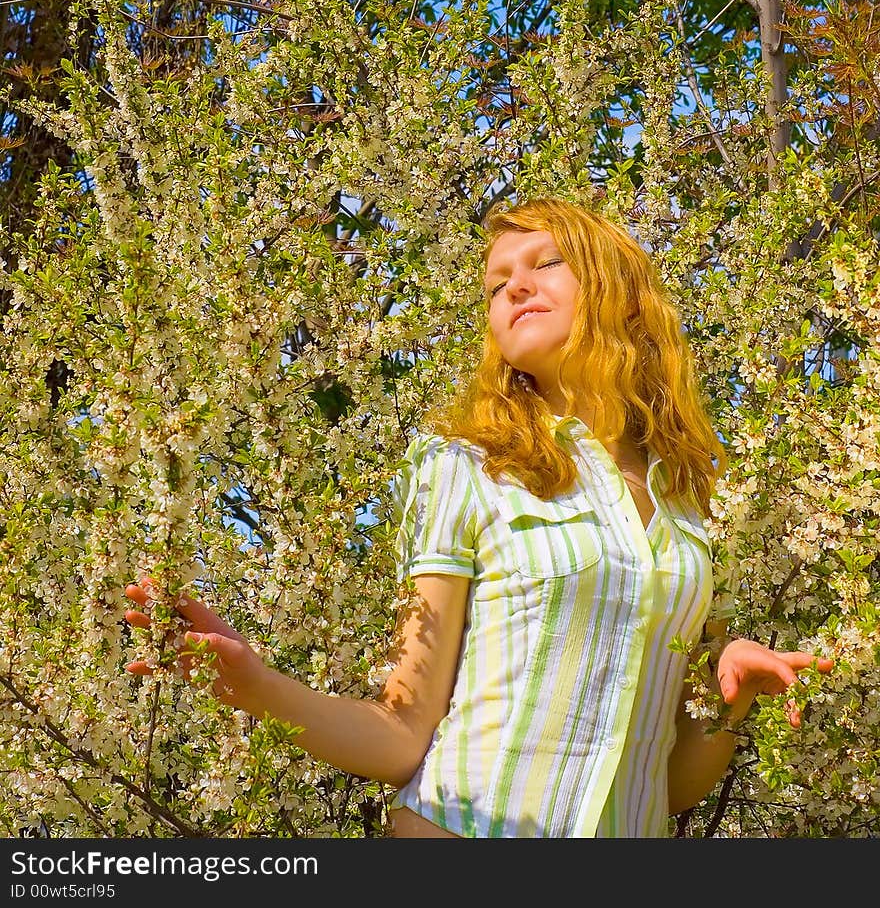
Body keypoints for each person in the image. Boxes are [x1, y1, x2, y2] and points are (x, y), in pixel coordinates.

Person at [124, 196, 834, 838]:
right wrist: (257, 686)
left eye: (545, 262)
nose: (515, 286)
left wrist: (727, 699)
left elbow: (670, 783)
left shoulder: (685, 494)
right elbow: (404, 728)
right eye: (498, 284)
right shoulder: (464, 465)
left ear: (620, 291)